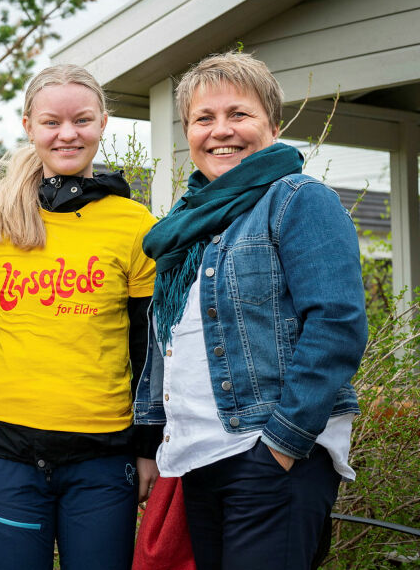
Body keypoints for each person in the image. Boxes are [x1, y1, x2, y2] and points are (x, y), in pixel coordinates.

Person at [134, 51, 368, 569]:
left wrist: (281, 445)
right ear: (188, 132)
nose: (222, 132)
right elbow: (169, 345)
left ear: (273, 125)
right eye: (204, 119)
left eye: (239, 114)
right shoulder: (186, 224)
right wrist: (153, 439)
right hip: (197, 458)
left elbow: (337, 324)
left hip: (270, 453)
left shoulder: (298, 199)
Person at [0, 64, 159, 570]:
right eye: (52, 122)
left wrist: (148, 447)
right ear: (29, 125)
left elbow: (149, 348)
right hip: (5, 451)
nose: (67, 134)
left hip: (103, 455)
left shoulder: (135, 225)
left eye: (82, 120)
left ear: (102, 124)